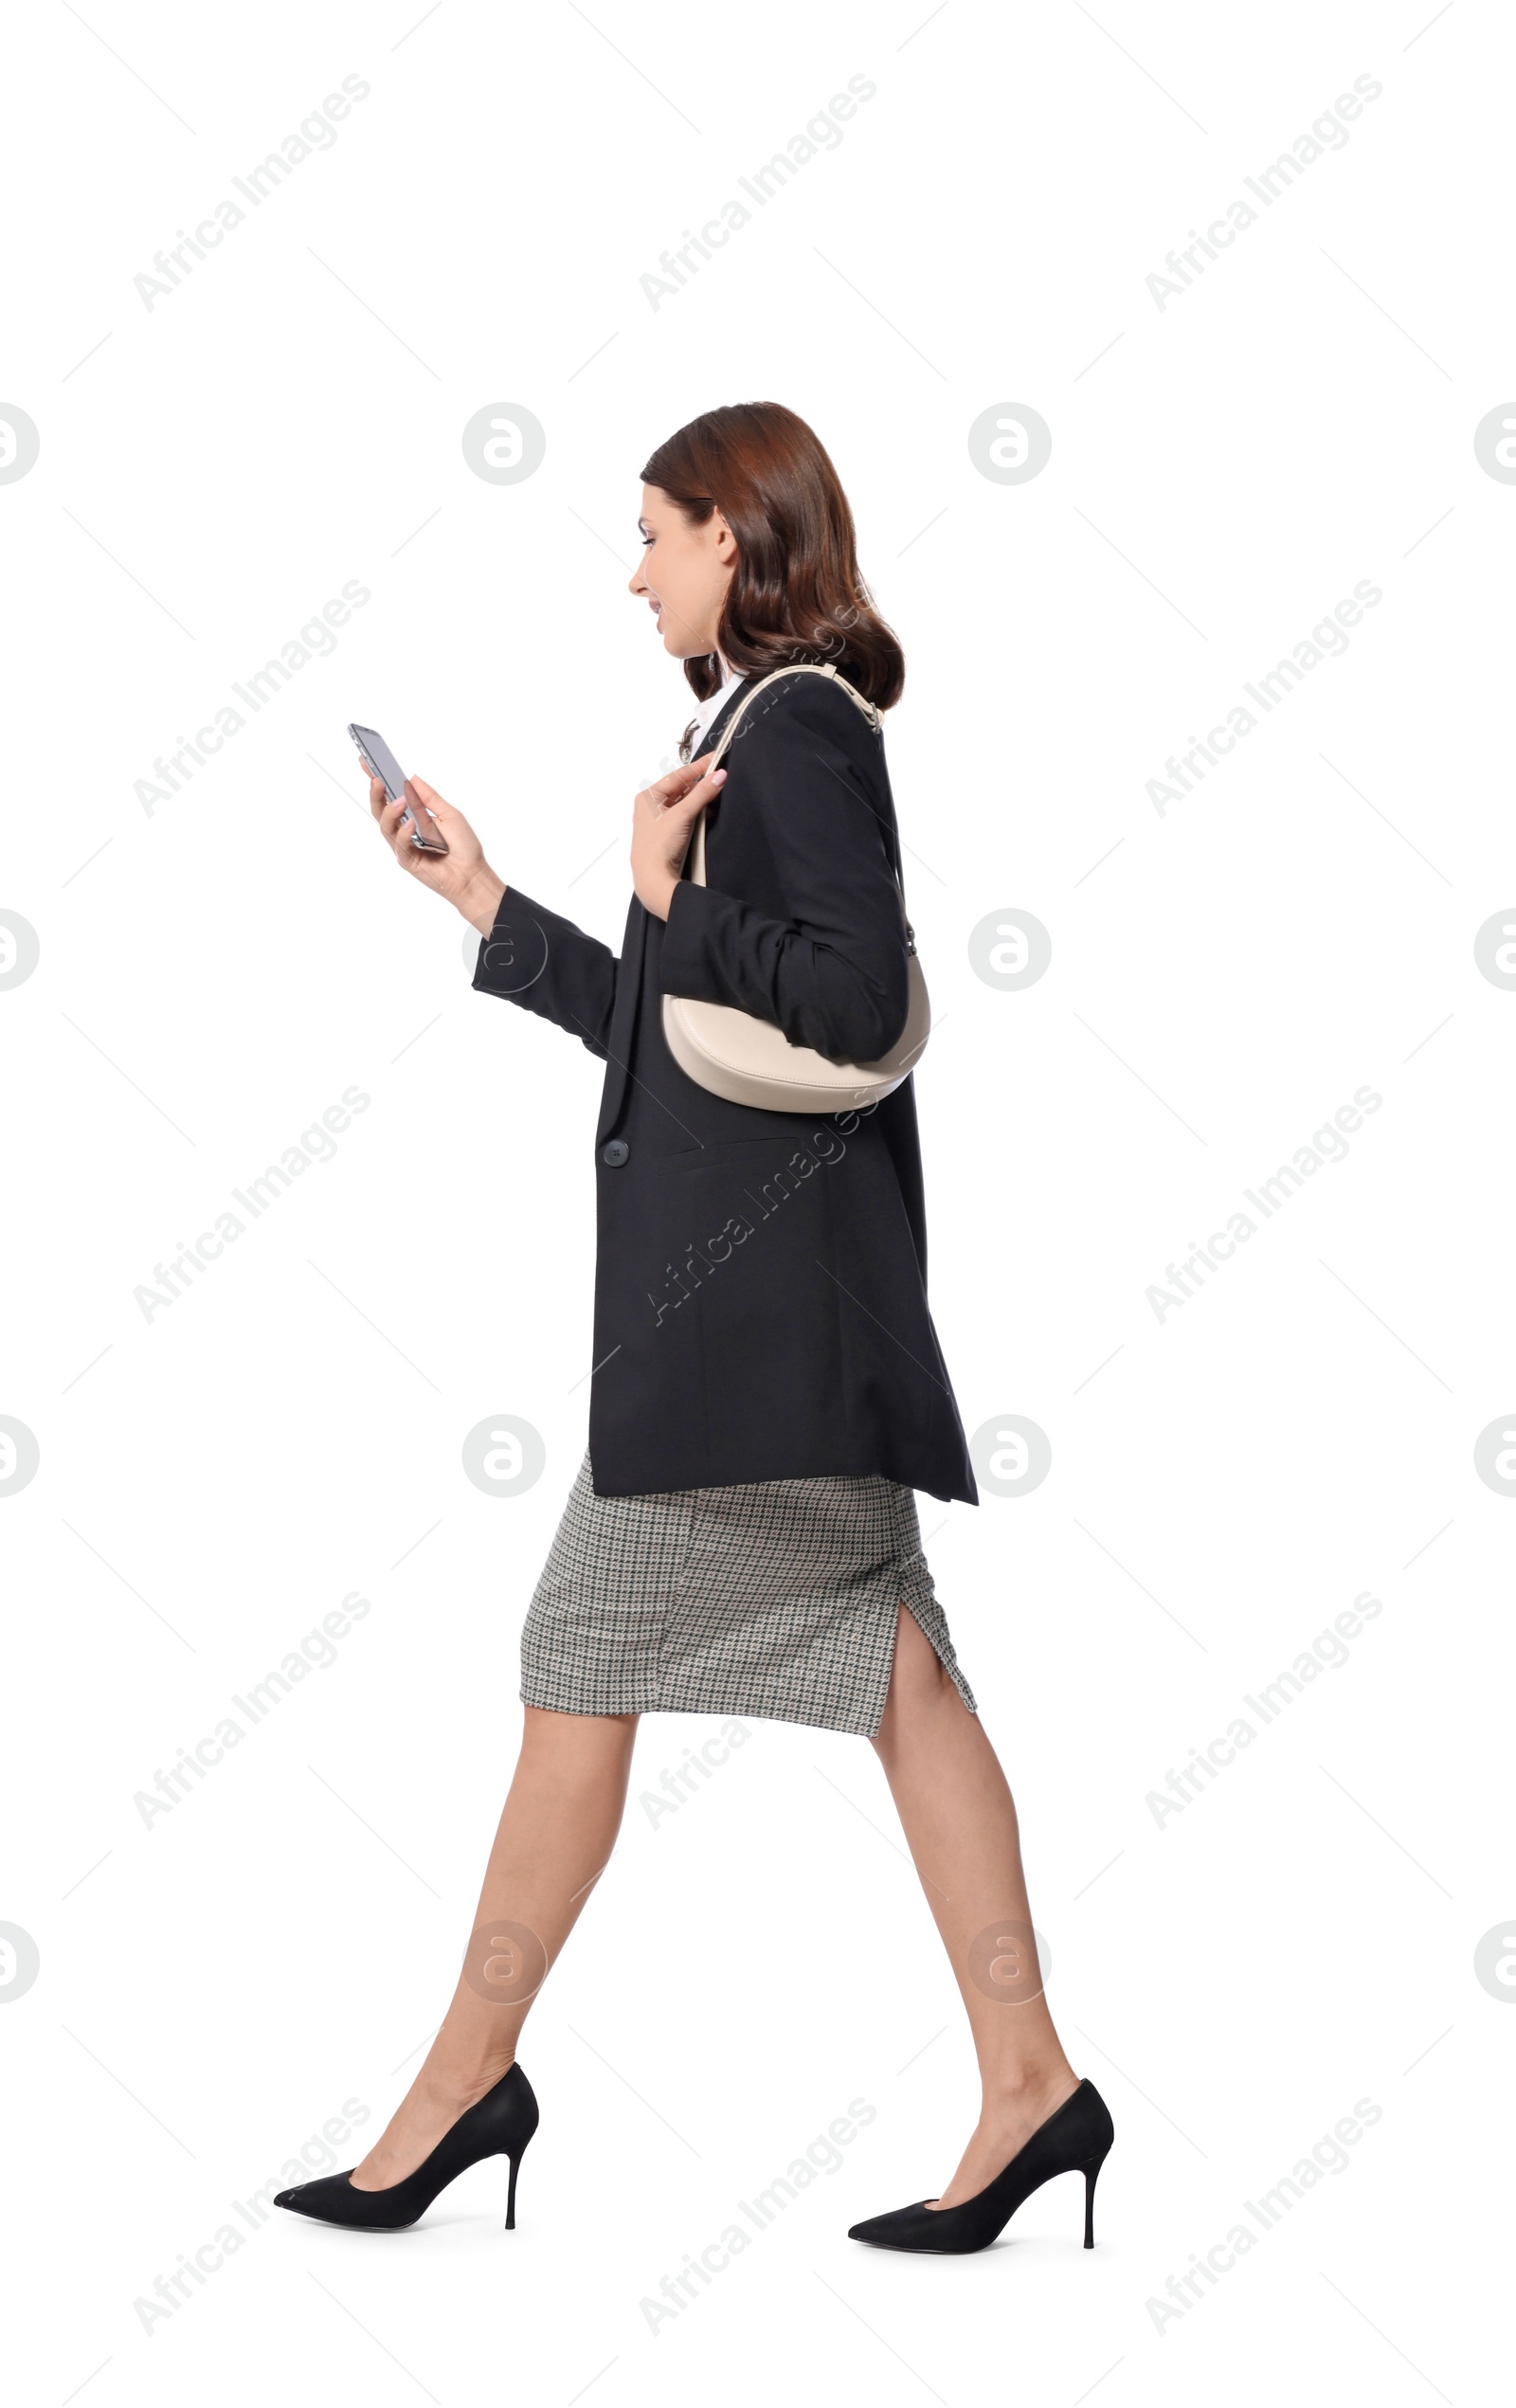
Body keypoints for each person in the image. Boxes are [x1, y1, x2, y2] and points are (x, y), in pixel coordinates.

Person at [274, 402, 1113, 2251]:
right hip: (775, 1334)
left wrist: (666, 903)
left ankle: (452, 2091)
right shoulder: (734, 730)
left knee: (580, 1649)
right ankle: (1032, 2081)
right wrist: (487, 898)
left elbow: (844, 992)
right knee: (897, 1678)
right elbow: (685, 1030)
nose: (632, 566)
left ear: (731, 539)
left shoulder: (797, 728)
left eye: (650, 530)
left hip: (750, 1348)